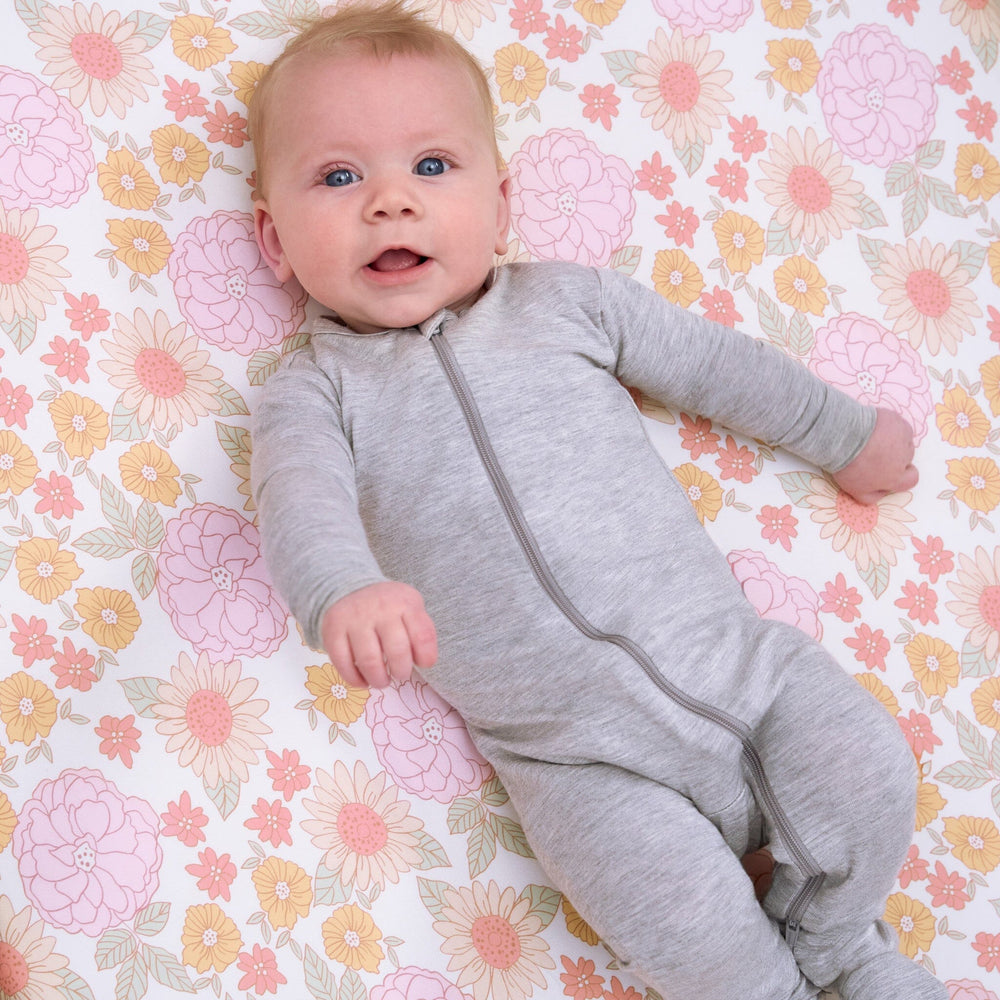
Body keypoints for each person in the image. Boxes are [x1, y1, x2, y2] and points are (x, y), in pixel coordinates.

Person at [248, 4, 946, 998]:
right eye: (338, 176)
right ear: (272, 240)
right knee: (677, 923)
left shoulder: (566, 301)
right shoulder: (313, 391)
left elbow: (715, 366)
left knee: (867, 767)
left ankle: (844, 948)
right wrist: (342, 591)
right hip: (571, 758)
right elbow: (298, 502)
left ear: (501, 205)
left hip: (739, 668)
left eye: (432, 166)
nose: (390, 203)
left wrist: (841, 433)